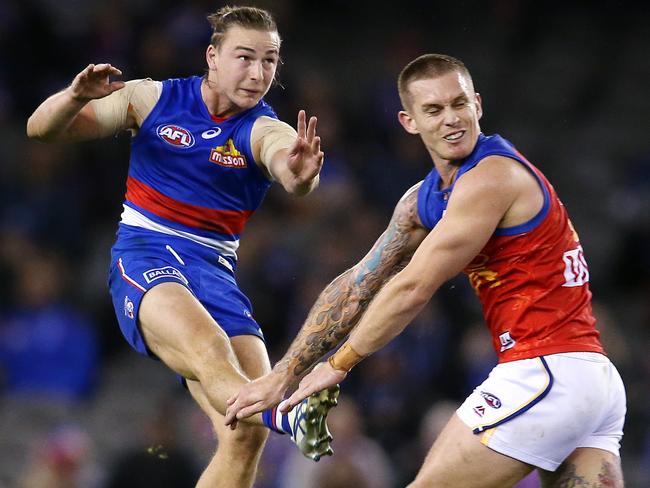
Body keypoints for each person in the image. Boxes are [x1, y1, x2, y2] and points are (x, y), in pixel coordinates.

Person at [225, 53, 627, 487]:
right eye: (433, 110)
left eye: (459, 104)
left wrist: (337, 364)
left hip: (546, 373)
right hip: (588, 383)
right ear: (409, 121)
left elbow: (413, 286)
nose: (451, 119)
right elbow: (359, 284)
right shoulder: (422, 202)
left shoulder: (492, 177)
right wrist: (285, 373)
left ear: (478, 104)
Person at [26, 5, 338, 487]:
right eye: (244, 57)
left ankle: (276, 415)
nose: (257, 73)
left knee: (242, 438)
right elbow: (41, 129)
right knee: (212, 349)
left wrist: (299, 175)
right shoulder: (153, 99)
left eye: (269, 61)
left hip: (215, 273)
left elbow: (288, 166)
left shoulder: (262, 126)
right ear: (212, 57)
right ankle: (289, 416)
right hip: (147, 255)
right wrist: (73, 97)